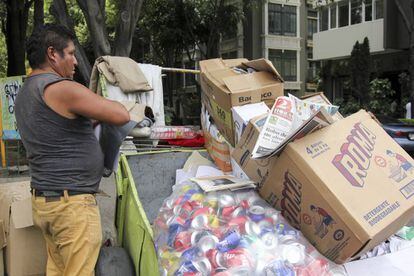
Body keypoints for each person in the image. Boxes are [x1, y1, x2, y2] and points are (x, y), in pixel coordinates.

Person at [15, 24, 130, 276]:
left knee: (58, 271)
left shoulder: (25, 94)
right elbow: (120, 115)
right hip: (72, 207)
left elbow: (57, 127)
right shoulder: (62, 88)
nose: (75, 62)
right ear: (52, 54)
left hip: (46, 203)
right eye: (70, 53)